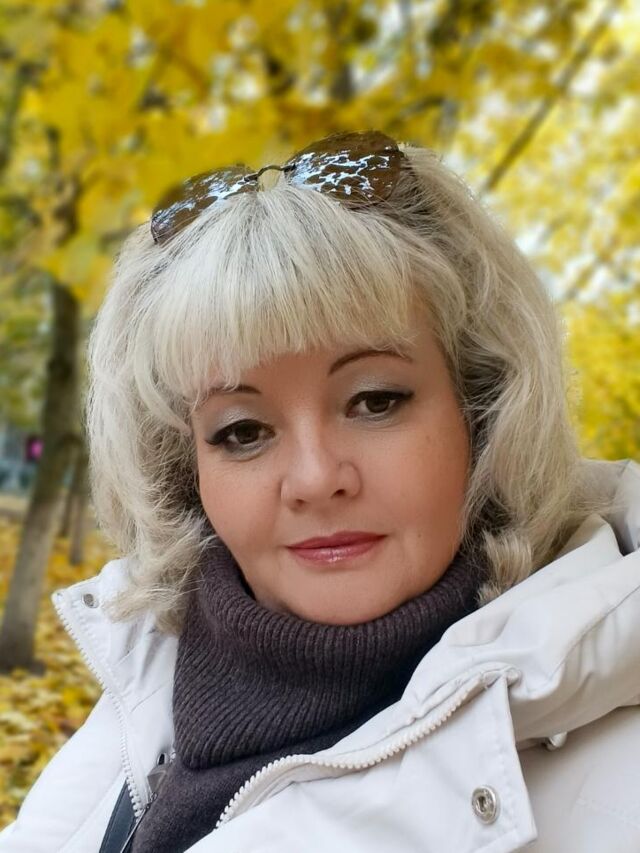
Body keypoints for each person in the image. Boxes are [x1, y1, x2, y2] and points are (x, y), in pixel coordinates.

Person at [0, 130, 639, 853]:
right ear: (186, 470)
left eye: (375, 400)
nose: (314, 478)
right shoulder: (142, 685)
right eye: (243, 431)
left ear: (482, 410)